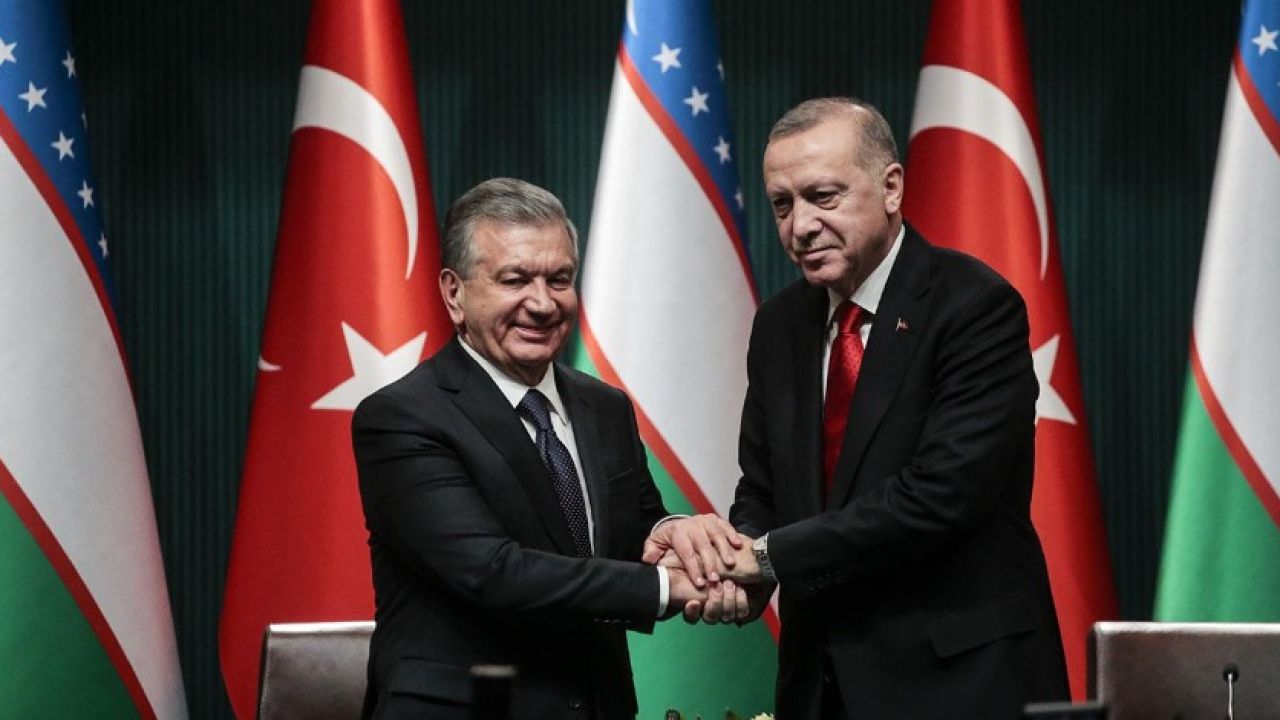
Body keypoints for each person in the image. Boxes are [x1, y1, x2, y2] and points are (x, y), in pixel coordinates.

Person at [648, 97, 1069, 717]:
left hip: (956, 681)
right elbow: (763, 486)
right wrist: (739, 562)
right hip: (820, 683)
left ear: (891, 187)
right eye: (782, 205)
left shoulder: (974, 306)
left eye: (823, 197)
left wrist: (763, 559)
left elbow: (939, 496)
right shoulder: (780, 324)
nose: (800, 226)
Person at [352, 178, 723, 719]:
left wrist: (677, 539)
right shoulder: (403, 417)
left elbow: (630, 535)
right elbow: (492, 572)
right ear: (454, 293)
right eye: (515, 279)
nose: (543, 303)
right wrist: (668, 586)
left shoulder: (605, 407)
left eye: (560, 279)